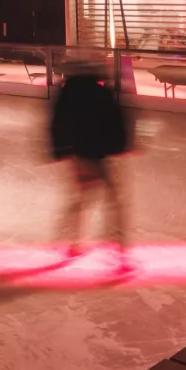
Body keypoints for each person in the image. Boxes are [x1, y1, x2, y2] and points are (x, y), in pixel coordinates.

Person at [50, 66, 133, 272]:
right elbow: (116, 120)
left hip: (81, 154)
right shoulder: (100, 92)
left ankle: (74, 242)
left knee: (83, 198)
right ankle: (117, 250)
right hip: (98, 155)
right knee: (112, 201)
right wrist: (120, 146)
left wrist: (61, 150)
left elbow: (58, 123)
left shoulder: (69, 92)